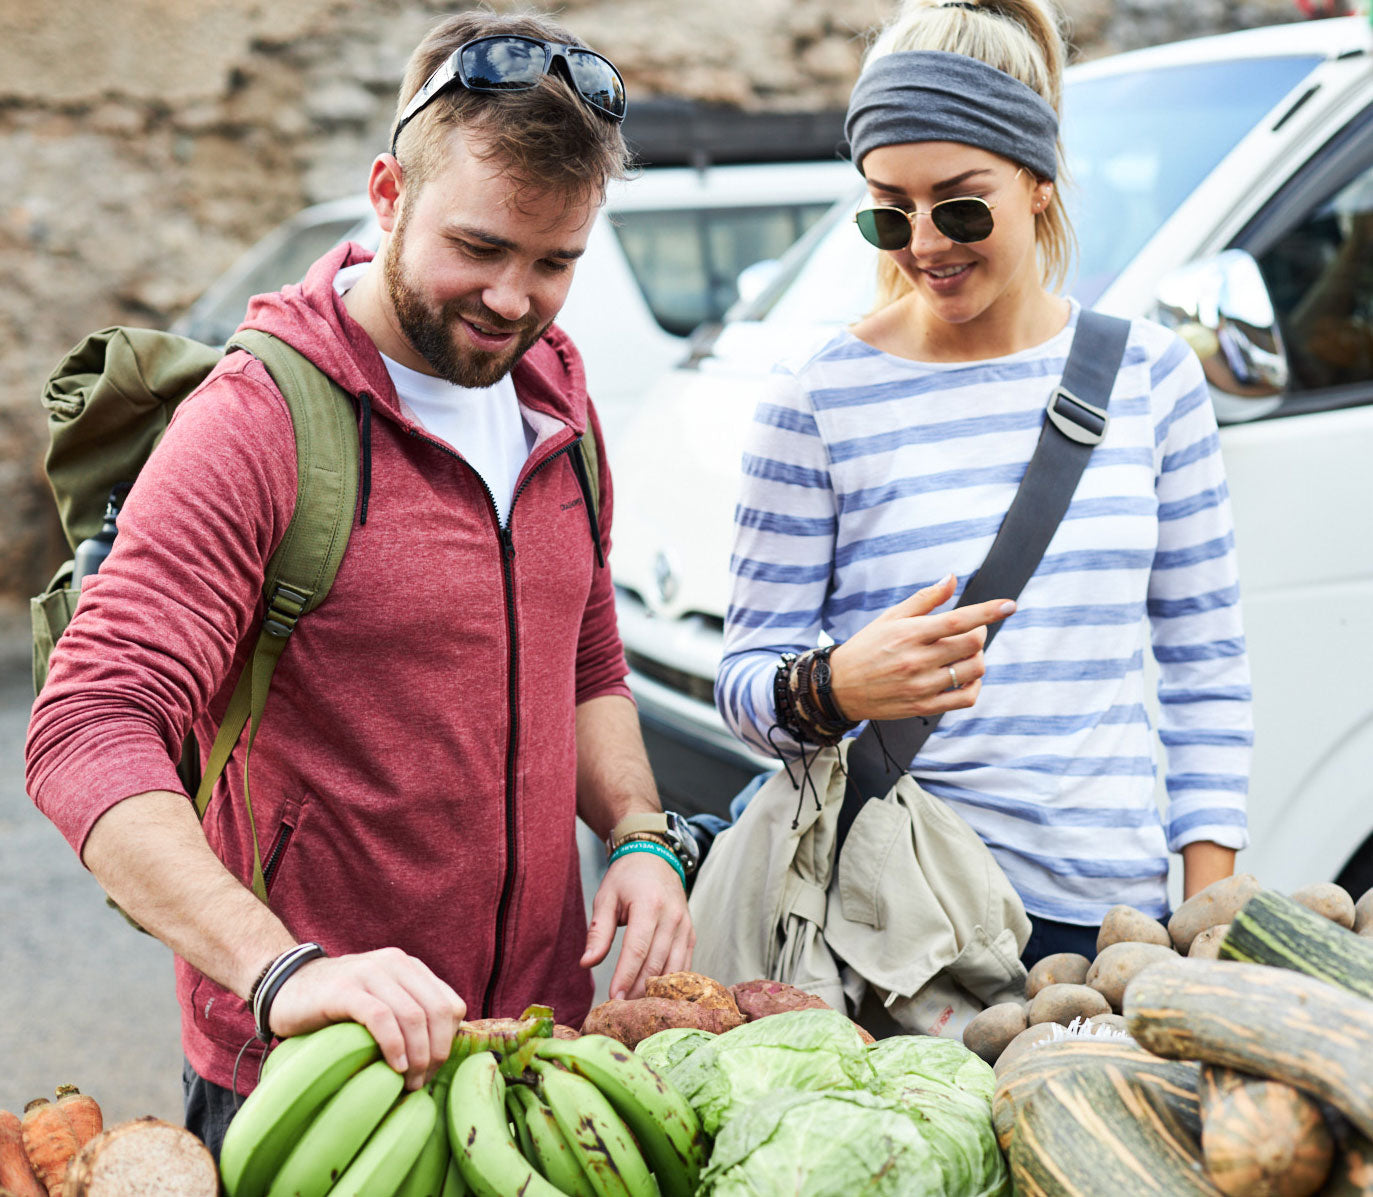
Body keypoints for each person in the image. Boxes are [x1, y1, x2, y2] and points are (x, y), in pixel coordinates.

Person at [24, 9, 694, 1156]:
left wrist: (637, 831)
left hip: (531, 1051)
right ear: (387, 192)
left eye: (554, 263)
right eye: (477, 249)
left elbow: (584, 652)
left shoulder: (556, 394)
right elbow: (88, 727)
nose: (512, 301)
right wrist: (276, 968)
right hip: (316, 1074)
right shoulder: (257, 424)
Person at [714, 0, 1252, 968]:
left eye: (959, 205)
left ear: (1037, 181)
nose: (923, 242)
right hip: (892, 923)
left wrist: (1199, 918)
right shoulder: (818, 400)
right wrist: (835, 685)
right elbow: (743, 679)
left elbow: (1203, 665)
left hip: (1105, 925)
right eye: (887, 209)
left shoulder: (1150, 379)